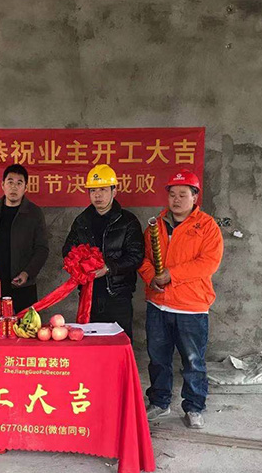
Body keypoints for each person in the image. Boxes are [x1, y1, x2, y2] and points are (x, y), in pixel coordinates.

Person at [139, 169, 224, 430]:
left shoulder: (207, 226)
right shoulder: (155, 226)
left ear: (195, 197)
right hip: (158, 304)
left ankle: (194, 407)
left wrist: (171, 275)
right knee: (158, 358)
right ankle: (159, 402)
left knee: (193, 361)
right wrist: (151, 277)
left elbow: (208, 263)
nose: (176, 200)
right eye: (172, 194)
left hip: (191, 307)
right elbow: (144, 259)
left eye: (183, 194)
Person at [62, 164, 144, 341]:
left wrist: (108, 268)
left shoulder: (128, 221)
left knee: (119, 344)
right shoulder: (81, 221)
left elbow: (136, 256)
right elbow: (68, 251)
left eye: (103, 190)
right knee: (91, 346)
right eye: (93, 190)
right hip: (89, 296)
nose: (97, 195)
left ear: (114, 191)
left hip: (118, 297)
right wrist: (79, 266)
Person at [0, 164, 49, 314]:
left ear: (25, 188)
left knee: (26, 325)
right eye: (10, 182)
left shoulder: (34, 213)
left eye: (19, 183)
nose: (14, 187)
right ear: (2, 185)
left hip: (23, 283)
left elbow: (42, 249)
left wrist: (27, 273)